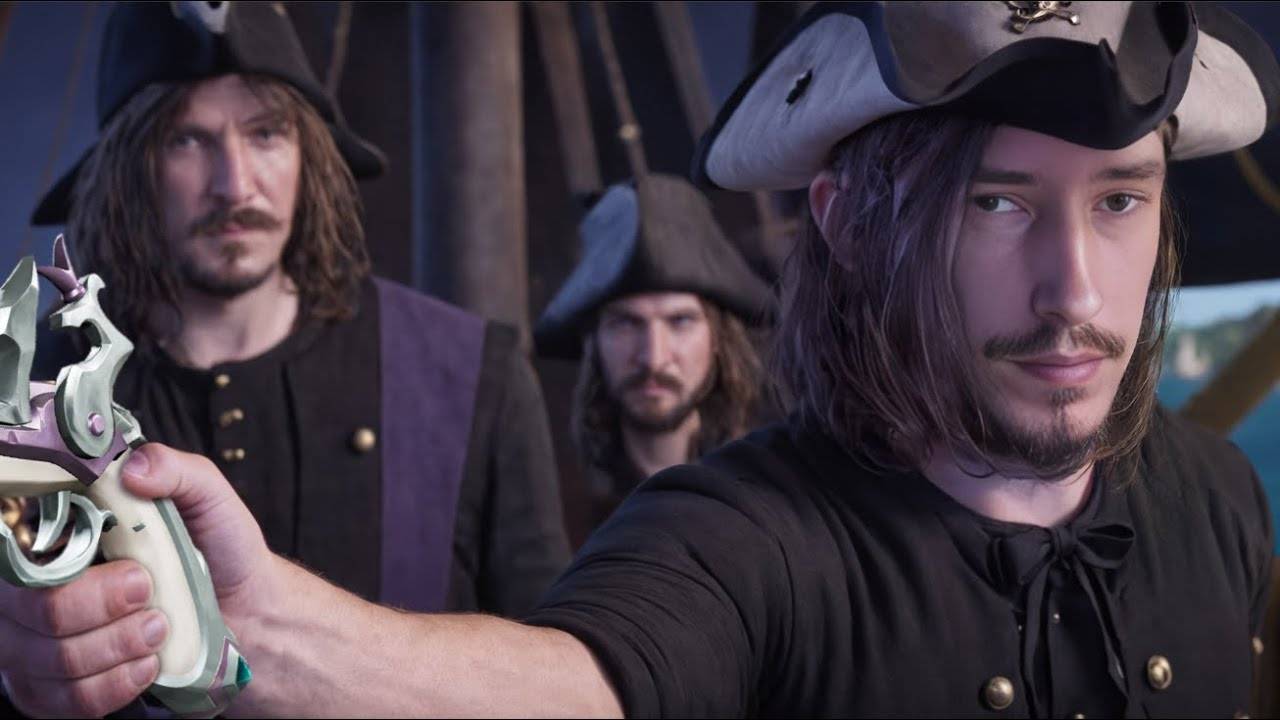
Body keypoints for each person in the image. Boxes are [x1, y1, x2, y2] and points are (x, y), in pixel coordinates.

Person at [2, 2, 1277, 717]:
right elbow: (580, 681)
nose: (1074, 293)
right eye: (995, 203)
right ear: (849, 222)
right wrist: (251, 630)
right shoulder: (736, 536)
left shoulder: (1220, 497)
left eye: (1120, 199)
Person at [18, 1, 569, 627]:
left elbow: (546, 655)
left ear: (309, 154)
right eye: (187, 139)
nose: (235, 186)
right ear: (128, 172)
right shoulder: (36, 392)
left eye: (266, 134)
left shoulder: (471, 377)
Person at [534, 173, 771, 528]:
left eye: (680, 322)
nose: (653, 358)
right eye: (626, 324)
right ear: (593, 339)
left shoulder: (772, 494)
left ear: (718, 338)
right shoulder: (551, 504)